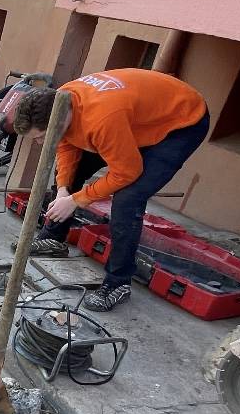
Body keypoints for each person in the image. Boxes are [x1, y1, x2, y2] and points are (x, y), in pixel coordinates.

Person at [12, 68, 209, 312]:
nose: (39, 142)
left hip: (181, 120)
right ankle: (54, 238)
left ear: (61, 120)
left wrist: (77, 200)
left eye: (40, 136)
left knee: (128, 198)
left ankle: (118, 283)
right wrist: (63, 190)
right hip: (135, 115)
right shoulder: (63, 98)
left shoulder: (102, 121)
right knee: (71, 173)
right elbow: (65, 145)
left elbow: (127, 172)